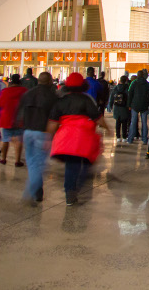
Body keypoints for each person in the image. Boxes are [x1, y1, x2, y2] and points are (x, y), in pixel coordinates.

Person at [47, 72, 110, 205]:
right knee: (86, 163)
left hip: (66, 139)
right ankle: (76, 188)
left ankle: (70, 192)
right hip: (84, 138)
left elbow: (53, 123)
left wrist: (48, 138)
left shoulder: (61, 101)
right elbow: (98, 118)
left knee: (71, 166)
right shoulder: (86, 100)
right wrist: (108, 129)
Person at [16, 72, 59, 204]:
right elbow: (55, 118)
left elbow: (19, 113)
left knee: (32, 164)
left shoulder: (28, 94)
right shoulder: (53, 97)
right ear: (50, 82)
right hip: (43, 133)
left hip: (28, 132)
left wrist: (18, 132)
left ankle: (38, 193)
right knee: (38, 165)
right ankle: (29, 193)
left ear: (38, 81)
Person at [0, 74, 26, 166]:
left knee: (5, 139)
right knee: (19, 140)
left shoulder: (5, 91)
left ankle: (3, 159)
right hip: (20, 119)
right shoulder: (24, 91)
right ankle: (17, 161)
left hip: (7, 119)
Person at [127, 70, 149, 144]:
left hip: (135, 105)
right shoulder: (147, 84)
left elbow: (130, 94)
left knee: (133, 122)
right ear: (143, 75)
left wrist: (129, 105)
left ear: (137, 75)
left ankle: (130, 139)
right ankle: (144, 139)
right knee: (144, 123)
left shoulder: (134, 83)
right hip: (144, 105)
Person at [110, 76, 131, 141]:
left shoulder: (116, 88)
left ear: (120, 80)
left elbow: (112, 97)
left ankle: (118, 137)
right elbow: (129, 98)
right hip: (124, 107)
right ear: (126, 81)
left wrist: (110, 105)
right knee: (124, 123)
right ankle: (124, 137)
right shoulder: (127, 88)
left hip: (117, 107)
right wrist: (129, 106)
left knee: (118, 122)